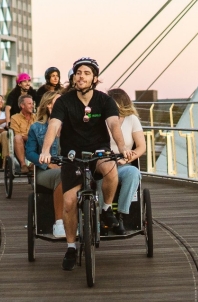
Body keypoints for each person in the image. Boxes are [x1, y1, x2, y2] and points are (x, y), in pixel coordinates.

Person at [39, 56, 131, 271]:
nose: (81, 76)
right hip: (73, 156)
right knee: (70, 202)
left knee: (110, 169)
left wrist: (122, 147)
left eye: (87, 73)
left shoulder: (104, 101)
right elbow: (54, 125)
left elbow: (114, 125)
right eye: (78, 72)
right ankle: (71, 247)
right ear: (73, 77)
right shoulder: (64, 102)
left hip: (99, 151)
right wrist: (45, 151)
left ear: (95, 78)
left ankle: (107, 209)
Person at [26, 92, 65, 237]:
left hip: (70, 167)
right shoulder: (37, 128)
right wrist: (48, 164)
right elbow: (30, 153)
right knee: (63, 175)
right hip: (45, 171)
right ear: (49, 105)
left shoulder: (71, 126)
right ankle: (59, 223)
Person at [107, 88, 146, 232]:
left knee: (133, 173)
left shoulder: (132, 119)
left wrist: (128, 158)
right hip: (104, 160)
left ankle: (121, 215)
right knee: (100, 176)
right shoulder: (102, 118)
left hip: (123, 161)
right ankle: (103, 214)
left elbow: (141, 146)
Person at [9, 94, 37, 173]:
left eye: (32, 104)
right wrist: (29, 137)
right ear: (22, 105)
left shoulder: (36, 117)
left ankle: (33, 164)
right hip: (21, 142)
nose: (32, 106)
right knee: (17, 137)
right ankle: (23, 165)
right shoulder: (15, 118)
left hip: (34, 142)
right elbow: (17, 134)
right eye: (29, 104)